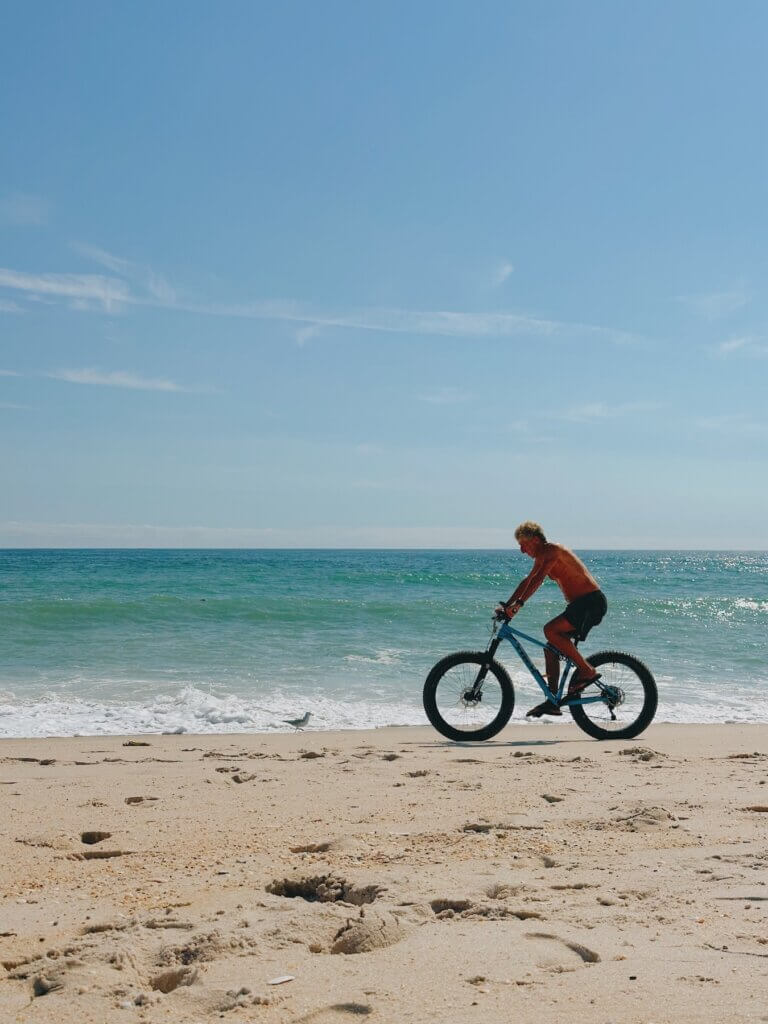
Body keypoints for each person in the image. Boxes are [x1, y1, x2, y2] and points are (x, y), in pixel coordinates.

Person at [496, 521, 607, 718]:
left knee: (550, 630)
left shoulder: (553, 551)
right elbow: (528, 580)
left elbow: (537, 580)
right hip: (579, 605)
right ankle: (553, 700)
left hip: (590, 603)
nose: (522, 551)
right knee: (551, 648)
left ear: (536, 540)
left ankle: (587, 670)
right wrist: (508, 604)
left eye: (524, 544)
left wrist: (519, 605)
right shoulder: (541, 556)